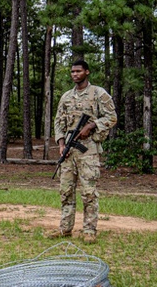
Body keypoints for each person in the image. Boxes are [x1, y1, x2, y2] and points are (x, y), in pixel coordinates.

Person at [49, 59, 117, 243]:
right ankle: (65, 228)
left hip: (89, 149)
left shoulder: (98, 94)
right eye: (72, 71)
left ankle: (89, 230)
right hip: (69, 150)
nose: (75, 74)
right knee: (66, 191)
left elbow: (112, 117)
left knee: (88, 192)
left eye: (78, 71)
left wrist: (92, 125)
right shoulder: (66, 97)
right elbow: (58, 121)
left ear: (87, 72)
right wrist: (61, 143)